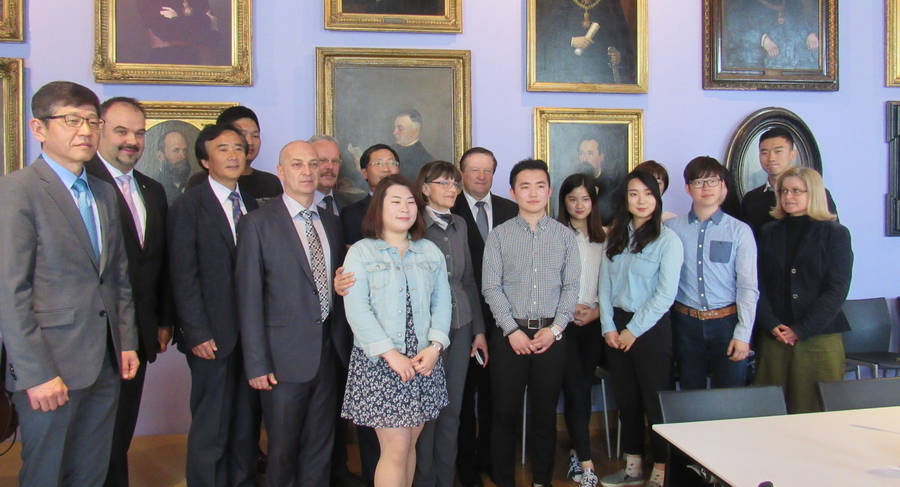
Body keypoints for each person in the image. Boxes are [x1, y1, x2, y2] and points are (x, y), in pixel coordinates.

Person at [0, 81, 140, 487]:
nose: (85, 131)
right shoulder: (18, 191)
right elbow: (11, 292)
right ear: (39, 128)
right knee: (47, 472)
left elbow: (117, 277)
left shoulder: (103, 193)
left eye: (93, 122)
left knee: (91, 471)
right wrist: (34, 373)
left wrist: (126, 341)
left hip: (105, 361)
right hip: (50, 366)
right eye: (71, 120)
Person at [235, 140, 348, 486]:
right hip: (281, 360)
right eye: (297, 164)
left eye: (313, 164)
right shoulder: (256, 223)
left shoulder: (331, 222)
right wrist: (256, 363)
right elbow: (248, 298)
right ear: (281, 172)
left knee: (320, 446)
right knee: (283, 450)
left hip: (328, 353)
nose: (308, 171)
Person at [85, 97, 174, 487]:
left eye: (139, 133)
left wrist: (163, 320)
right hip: (93, 336)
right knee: (91, 438)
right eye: (121, 131)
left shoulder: (152, 190)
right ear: (99, 129)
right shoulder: (82, 182)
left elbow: (159, 262)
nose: (132, 141)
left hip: (138, 333)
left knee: (120, 433)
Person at [340, 174, 451, 487]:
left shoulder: (429, 251)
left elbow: (443, 304)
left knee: (410, 443)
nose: (405, 208)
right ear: (379, 207)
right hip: (382, 363)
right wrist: (391, 355)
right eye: (396, 201)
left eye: (410, 202)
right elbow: (357, 311)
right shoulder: (361, 252)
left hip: (423, 361)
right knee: (396, 447)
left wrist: (435, 347)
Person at [168, 123, 258, 487]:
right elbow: (183, 274)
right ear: (205, 160)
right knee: (212, 423)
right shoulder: (190, 205)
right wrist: (196, 331)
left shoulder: (252, 204)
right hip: (212, 335)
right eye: (223, 149)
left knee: (245, 422)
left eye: (238, 147)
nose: (234, 155)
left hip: (251, 336)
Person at [482, 159, 580, 487]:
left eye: (540, 186)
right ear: (513, 192)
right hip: (510, 335)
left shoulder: (565, 237)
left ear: (549, 191)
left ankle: (541, 481)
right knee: (504, 413)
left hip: (551, 335)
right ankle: (504, 481)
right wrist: (511, 330)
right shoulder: (499, 236)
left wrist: (555, 330)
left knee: (544, 414)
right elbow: (491, 287)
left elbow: (571, 287)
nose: (533, 193)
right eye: (525, 186)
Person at [598, 170, 682, 487]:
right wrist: (608, 326)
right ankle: (632, 468)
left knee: (653, 402)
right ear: (626, 199)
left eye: (648, 194)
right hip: (616, 327)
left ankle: (660, 471)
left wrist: (633, 330)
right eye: (634, 194)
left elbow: (665, 295)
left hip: (650, 329)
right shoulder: (616, 235)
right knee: (627, 400)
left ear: (657, 199)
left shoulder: (668, 240)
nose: (641, 200)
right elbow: (604, 286)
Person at [409, 161, 487, 487]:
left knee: (452, 410)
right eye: (444, 183)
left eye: (455, 183)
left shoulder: (460, 224)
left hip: (462, 324)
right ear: (425, 188)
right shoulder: (412, 224)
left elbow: (468, 280)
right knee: (426, 413)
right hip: (425, 333)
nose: (452, 189)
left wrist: (479, 330)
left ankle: (445, 479)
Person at [753, 167, 852, 414]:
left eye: (797, 190)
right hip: (775, 336)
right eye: (784, 191)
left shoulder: (836, 234)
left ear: (814, 193)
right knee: (769, 411)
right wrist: (771, 322)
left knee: (815, 411)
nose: (789, 196)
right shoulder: (768, 232)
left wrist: (801, 329)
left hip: (818, 336)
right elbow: (757, 284)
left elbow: (837, 289)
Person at [451, 147, 518, 487]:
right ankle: (465, 467)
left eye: (487, 170)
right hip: (463, 319)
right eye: (474, 170)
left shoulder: (510, 210)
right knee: (463, 397)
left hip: (504, 321)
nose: (481, 176)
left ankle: (490, 458)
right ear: (461, 173)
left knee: (497, 395)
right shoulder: (450, 209)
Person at [665, 157, 758, 392]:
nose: (706, 187)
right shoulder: (672, 229)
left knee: (729, 396)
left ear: (722, 186)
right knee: (690, 394)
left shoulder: (739, 231)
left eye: (712, 181)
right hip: (685, 324)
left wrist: (743, 333)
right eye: (698, 182)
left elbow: (747, 286)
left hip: (726, 323)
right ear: (688, 188)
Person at [556, 173, 606, 487]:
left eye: (585, 199)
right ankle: (586, 461)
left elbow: (610, 284)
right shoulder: (554, 234)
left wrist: (595, 312)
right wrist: (567, 309)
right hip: (563, 324)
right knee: (575, 387)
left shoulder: (605, 237)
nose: (579, 205)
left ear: (593, 202)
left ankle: (578, 450)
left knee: (583, 388)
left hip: (594, 323)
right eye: (572, 199)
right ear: (564, 201)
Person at [740, 127, 837, 237]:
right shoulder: (751, 199)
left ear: (792, 154)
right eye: (764, 152)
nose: (771, 158)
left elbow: (832, 234)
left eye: (778, 151)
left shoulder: (815, 193)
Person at [187, 106, 283, 207]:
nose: (249, 142)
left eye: (255, 136)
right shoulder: (200, 181)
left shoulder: (270, 182)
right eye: (242, 135)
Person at [534, 0, 635, 84]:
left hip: (601, 75)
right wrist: (571, 41)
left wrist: (619, 57)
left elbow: (622, 40)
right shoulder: (558, 2)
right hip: (567, 74)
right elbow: (546, 36)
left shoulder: (611, 3)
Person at [723, 0, 820, 71]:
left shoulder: (793, 3)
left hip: (790, 62)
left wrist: (809, 33)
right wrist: (762, 39)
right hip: (755, 62)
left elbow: (800, 22)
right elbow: (735, 27)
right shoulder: (743, 4)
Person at [342, 143, 401, 247]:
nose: (386, 169)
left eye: (391, 163)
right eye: (378, 163)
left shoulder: (412, 208)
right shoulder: (352, 214)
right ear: (364, 173)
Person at [137, 0, 222, 65]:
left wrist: (177, 19)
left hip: (196, 61)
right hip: (165, 60)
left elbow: (213, 40)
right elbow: (166, 33)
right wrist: (204, 20)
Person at [571, 137, 621, 225]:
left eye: (590, 154)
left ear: (601, 157)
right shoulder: (570, 184)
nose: (585, 159)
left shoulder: (613, 186)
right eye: (581, 154)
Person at [310, 134, 354, 216]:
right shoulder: (297, 204)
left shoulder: (349, 205)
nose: (330, 167)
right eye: (323, 160)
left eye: (335, 161)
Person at [391, 109, 434, 183]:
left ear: (416, 130)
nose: (394, 132)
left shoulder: (426, 162)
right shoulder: (387, 151)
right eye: (395, 128)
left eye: (400, 128)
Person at [155, 129, 192, 204]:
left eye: (185, 150)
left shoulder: (194, 185)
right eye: (176, 151)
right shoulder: (153, 186)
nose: (183, 156)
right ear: (160, 156)